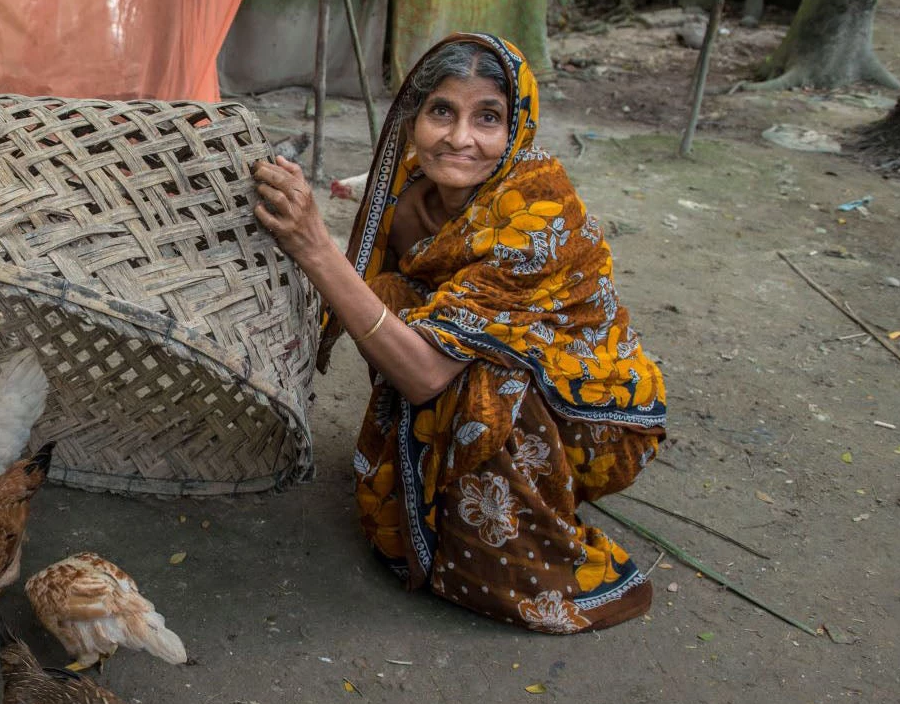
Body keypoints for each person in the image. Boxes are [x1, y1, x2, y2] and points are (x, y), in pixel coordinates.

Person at [252, 33, 667, 634]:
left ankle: (495, 554)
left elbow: (425, 374)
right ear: (414, 116)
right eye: (442, 110)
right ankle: (435, 481)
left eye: (487, 118)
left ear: (516, 128)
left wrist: (315, 247)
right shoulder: (409, 187)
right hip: (482, 368)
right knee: (404, 307)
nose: (460, 137)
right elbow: (383, 303)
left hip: (594, 417)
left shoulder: (538, 209)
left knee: (483, 380)